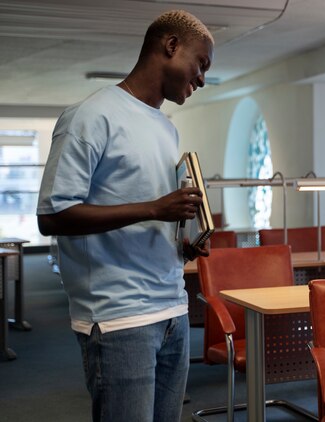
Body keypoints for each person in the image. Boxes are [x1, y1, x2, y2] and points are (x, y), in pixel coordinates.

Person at [36, 10, 214, 422]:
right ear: (170, 46)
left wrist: (179, 241)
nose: (202, 79)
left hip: (172, 308)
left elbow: (146, 211)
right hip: (118, 317)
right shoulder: (90, 116)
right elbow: (54, 214)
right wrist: (156, 208)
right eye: (200, 64)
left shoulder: (166, 128)